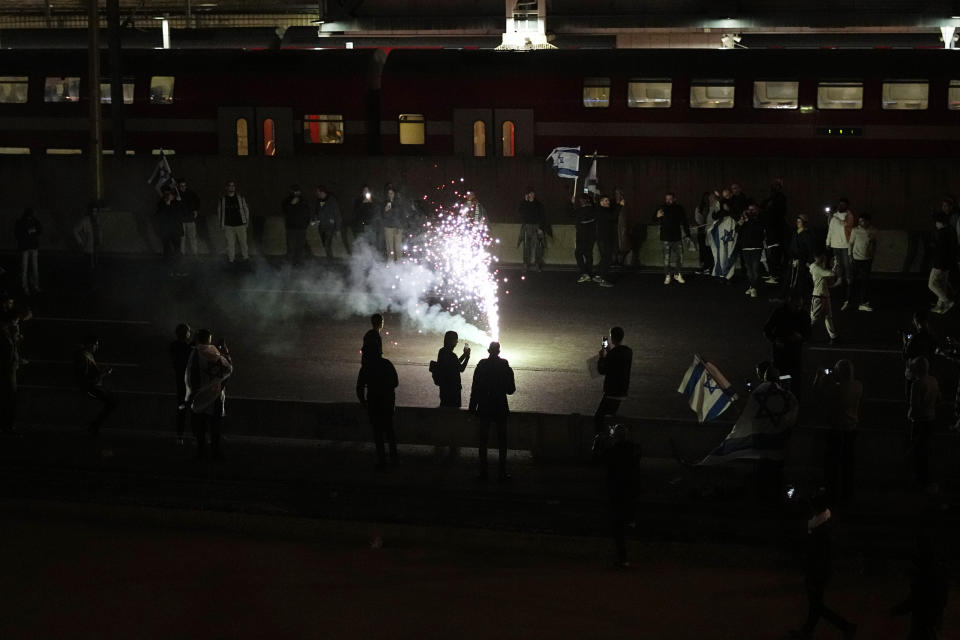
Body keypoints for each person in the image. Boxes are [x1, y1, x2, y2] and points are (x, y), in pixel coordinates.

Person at [789, 489, 857, 639]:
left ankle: (846, 626)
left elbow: (815, 553)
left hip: (817, 572)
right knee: (816, 605)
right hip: (819, 571)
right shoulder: (825, 521)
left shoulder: (819, 530)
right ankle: (808, 631)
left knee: (817, 606)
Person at [814, 359, 862, 505]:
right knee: (848, 463)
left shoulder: (837, 389)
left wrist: (820, 377)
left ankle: (832, 492)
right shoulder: (858, 386)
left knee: (833, 463)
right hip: (851, 428)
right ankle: (847, 493)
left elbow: (817, 395)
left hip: (836, 429)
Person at [469, 341, 516, 481]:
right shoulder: (504, 365)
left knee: (483, 441)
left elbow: (475, 388)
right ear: (499, 351)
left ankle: (483, 472)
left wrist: (472, 408)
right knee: (502, 441)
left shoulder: (482, 365)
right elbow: (511, 390)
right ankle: (502, 473)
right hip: (500, 406)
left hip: (484, 406)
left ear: (489, 351)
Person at [185, 329, 233, 459]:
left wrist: (191, 394)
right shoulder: (214, 352)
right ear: (209, 339)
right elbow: (228, 367)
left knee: (200, 426)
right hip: (215, 394)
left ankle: (201, 451)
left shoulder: (195, 353)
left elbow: (191, 375)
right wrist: (225, 350)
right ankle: (215, 452)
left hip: (200, 395)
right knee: (215, 426)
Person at [891, 538, 949, 639]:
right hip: (929, 620)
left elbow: (915, 600)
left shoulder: (924, 575)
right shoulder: (937, 572)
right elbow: (942, 598)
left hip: (923, 621)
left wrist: (895, 611)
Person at [603, 424, 639, 569]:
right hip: (630, 490)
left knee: (617, 526)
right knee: (626, 520)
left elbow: (602, 462)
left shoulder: (612, 451)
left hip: (617, 491)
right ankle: (631, 521)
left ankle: (622, 558)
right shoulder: (634, 449)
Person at [356, 351, 400, 469]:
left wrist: (364, 403)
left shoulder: (366, 367)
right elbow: (395, 382)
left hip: (374, 404)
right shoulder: (387, 364)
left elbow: (359, 388)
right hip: (387, 403)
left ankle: (382, 461)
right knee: (390, 432)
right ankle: (394, 460)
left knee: (378, 434)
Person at [763, 293, 810, 395]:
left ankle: (794, 397)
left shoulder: (803, 314)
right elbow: (767, 330)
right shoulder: (779, 313)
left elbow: (809, 333)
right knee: (782, 374)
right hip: (781, 351)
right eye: (796, 306)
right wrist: (775, 340)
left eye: (800, 306)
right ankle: (782, 394)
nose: (798, 308)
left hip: (794, 351)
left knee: (796, 376)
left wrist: (801, 337)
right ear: (789, 303)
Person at [594, 327, 632, 443]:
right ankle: (612, 437)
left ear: (612, 337)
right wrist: (609, 352)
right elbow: (618, 360)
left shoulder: (612, 355)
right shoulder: (628, 352)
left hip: (611, 392)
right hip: (622, 391)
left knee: (598, 418)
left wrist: (601, 357)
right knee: (610, 415)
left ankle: (603, 441)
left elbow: (602, 370)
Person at [907, 356, 940, 492]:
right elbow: (939, 399)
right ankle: (927, 480)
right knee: (926, 451)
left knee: (917, 452)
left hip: (919, 421)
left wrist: (911, 415)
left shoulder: (917, 384)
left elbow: (914, 405)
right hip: (930, 419)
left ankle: (921, 481)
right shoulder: (933, 380)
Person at [74, 335, 115, 437]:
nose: (97, 347)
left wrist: (103, 372)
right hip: (89, 387)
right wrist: (104, 373)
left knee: (111, 400)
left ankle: (95, 426)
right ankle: (94, 426)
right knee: (111, 402)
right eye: (96, 345)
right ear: (90, 344)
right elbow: (86, 377)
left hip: (91, 385)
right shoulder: (85, 356)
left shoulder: (87, 355)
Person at [825, 198, 856, 308]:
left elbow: (845, 224)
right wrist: (827, 242)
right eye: (840, 204)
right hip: (835, 244)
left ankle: (849, 280)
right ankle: (839, 279)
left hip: (845, 245)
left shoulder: (849, 215)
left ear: (847, 206)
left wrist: (835, 217)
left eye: (843, 204)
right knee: (838, 263)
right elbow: (830, 230)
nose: (841, 206)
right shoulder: (834, 217)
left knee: (847, 264)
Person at [655, 192, 691, 285]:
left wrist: (688, 234)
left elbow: (685, 221)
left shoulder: (679, 208)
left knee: (680, 257)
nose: (668, 201)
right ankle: (667, 275)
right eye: (666, 199)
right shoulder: (661, 208)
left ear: (674, 199)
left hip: (677, 237)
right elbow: (653, 219)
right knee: (666, 259)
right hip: (665, 237)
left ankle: (678, 274)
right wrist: (657, 216)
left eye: (670, 199)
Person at [847, 213, 877, 312]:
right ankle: (849, 301)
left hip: (867, 259)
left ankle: (862, 303)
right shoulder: (855, 230)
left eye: (862, 221)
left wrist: (872, 255)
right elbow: (851, 243)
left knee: (865, 282)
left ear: (868, 221)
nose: (860, 223)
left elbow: (874, 244)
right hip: (856, 259)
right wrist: (850, 256)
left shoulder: (873, 230)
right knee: (852, 281)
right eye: (859, 221)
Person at [929, 211, 957, 314]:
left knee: (932, 284)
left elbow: (940, 251)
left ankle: (946, 301)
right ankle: (940, 306)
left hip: (940, 264)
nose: (935, 224)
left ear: (940, 222)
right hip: (948, 264)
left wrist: (938, 265)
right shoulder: (951, 231)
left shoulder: (941, 234)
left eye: (936, 222)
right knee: (942, 285)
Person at [761, 178, 788, 285]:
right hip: (770, 229)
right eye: (773, 185)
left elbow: (780, 212)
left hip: (776, 230)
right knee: (770, 253)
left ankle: (775, 275)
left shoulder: (780, 198)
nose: (774, 187)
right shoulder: (770, 199)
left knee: (774, 253)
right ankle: (773, 273)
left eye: (777, 185)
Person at [169, 323, 193, 445]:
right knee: (195, 409)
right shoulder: (188, 348)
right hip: (189, 383)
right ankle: (195, 435)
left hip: (180, 382)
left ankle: (180, 436)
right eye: (188, 331)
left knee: (181, 408)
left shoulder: (173, 346)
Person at [0, 308, 23, 433]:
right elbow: (8, 352)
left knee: (8, 397)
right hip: (7, 370)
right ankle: (7, 425)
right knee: (9, 397)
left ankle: (7, 424)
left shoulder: (5, 332)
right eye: (17, 322)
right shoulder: (5, 333)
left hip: (9, 369)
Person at [217, 180, 250, 264]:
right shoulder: (222, 200)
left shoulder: (240, 198)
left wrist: (246, 221)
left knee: (243, 243)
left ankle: (246, 259)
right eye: (230, 186)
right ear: (226, 188)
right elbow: (219, 212)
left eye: (233, 186)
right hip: (229, 226)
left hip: (240, 225)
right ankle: (231, 261)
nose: (232, 187)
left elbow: (246, 209)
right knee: (230, 244)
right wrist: (222, 224)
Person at [435, 330, 471, 408]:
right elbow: (461, 368)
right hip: (453, 390)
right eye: (456, 340)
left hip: (444, 388)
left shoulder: (442, 351)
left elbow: (455, 363)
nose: (457, 342)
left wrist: (464, 355)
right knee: (453, 412)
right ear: (452, 341)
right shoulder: (451, 355)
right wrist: (467, 357)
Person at [809, 251, 839, 343]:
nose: (824, 259)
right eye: (822, 257)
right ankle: (803, 334)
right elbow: (831, 274)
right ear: (817, 257)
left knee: (828, 317)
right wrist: (836, 265)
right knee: (813, 318)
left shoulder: (816, 267)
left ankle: (833, 337)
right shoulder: (817, 268)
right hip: (818, 296)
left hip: (824, 296)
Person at [787, 214, 818, 297]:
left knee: (801, 279)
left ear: (804, 223)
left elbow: (810, 249)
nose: (797, 223)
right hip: (793, 259)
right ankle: (790, 296)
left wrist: (809, 261)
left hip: (802, 260)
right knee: (790, 278)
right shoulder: (795, 232)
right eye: (797, 222)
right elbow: (792, 246)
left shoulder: (806, 234)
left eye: (799, 222)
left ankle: (801, 297)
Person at [738, 202, 765, 298]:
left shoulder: (759, 219)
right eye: (749, 210)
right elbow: (737, 230)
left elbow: (759, 231)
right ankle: (752, 286)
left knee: (755, 269)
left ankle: (754, 288)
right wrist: (741, 222)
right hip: (745, 247)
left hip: (756, 247)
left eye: (752, 209)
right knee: (749, 269)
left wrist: (748, 219)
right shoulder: (745, 220)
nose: (750, 211)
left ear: (756, 210)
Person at [517, 187, 547, 273]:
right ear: (527, 195)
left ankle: (537, 264)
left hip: (536, 226)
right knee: (526, 247)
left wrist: (540, 228)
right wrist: (524, 201)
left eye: (533, 193)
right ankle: (526, 264)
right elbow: (520, 212)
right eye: (530, 193)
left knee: (538, 247)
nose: (531, 195)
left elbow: (542, 216)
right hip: (527, 226)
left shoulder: (538, 204)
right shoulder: (524, 203)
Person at [155, 187, 184, 274]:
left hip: (175, 231)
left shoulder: (176, 203)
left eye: (170, 194)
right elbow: (161, 216)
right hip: (166, 231)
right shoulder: (161, 204)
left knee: (177, 251)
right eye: (167, 194)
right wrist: (167, 205)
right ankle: (168, 269)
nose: (169, 196)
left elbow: (180, 213)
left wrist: (179, 202)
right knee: (167, 251)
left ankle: (178, 269)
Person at [594, 193, 620, 287]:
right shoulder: (602, 211)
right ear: (601, 202)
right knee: (607, 258)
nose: (608, 202)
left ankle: (598, 275)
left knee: (604, 257)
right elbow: (613, 217)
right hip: (605, 238)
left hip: (602, 238)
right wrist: (620, 206)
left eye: (608, 200)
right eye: (606, 201)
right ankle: (603, 279)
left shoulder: (601, 210)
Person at [282, 184, 312, 266]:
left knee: (300, 247)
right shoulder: (287, 201)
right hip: (291, 228)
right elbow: (285, 210)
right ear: (292, 191)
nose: (297, 193)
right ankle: (290, 264)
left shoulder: (303, 201)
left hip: (302, 228)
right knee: (291, 247)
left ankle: (299, 263)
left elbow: (308, 212)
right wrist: (291, 204)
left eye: (298, 191)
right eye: (295, 191)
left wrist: (307, 223)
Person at [314, 185, 347, 259]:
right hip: (321, 226)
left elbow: (337, 214)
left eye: (318, 192)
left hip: (329, 226)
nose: (316, 193)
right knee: (324, 244)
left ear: (322, 192)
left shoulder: (331, 200)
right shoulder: (318, 200)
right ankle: (329, 258)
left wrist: (338, 229)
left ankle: (330, 260)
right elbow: (317, 211)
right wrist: (315, 219)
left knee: (327, 243)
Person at [15, 207, 42, 295]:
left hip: (29, 247)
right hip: (28, 247)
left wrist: (29, 232)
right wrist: (30, 232)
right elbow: (18, 234)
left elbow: (40, 230)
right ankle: (29, 286)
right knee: (28, 268)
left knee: (30, 268)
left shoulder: (27, 221)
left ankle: (31, 286)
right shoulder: (27, 221)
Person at [570, 194, 597, 283]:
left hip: (582, 236)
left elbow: (570, 214)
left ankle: (585, 273)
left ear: (583, 201)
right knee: (588, 254)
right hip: (591, 236)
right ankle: (589, 273)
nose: (580, 202)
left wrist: (571, 203)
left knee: (578, 254)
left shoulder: (581, 210)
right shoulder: (593, 210)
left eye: (581, 200)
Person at [73, 202, 103, 273]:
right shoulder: (85, 220)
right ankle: (90, 276)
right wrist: (80, 242)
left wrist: (101, 240)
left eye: (96, 211)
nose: (94, 213)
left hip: (96, 245)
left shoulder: (97, 219)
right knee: (89, 265)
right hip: (89, 246)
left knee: (95, 262)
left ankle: (94, 273)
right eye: (93, 211)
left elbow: (99, 230)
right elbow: (75, 230)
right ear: (90, 212)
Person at [694, 191, 719, 274]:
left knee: (711, 250)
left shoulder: (715, 206)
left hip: (711, 231)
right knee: (704, 250)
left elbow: (715, 218)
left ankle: (711, 267)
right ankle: (706, 266)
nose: (709, 200)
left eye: (711, 198)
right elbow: (699, 220)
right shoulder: (701, 208)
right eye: (708, 198)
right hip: (703, 232)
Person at [381, 184, 406, 262]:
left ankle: (399, 263)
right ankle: (391, 264)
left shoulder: (399, 202)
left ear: (394, 193)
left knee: (398, 247)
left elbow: (402, 215)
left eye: (391, 193)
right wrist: (385, 210)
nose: (390, 195)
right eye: (389, 193)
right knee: (390, 247)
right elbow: (382, 216)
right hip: (388, 227)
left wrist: (401, 226)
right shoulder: (385, 203)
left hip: (398, 227)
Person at [176, 178, 201, 257]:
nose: (183, 187)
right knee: (182, 239)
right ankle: (182, 255)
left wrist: (196, 210)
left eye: (184, 186)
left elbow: (198, 201)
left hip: (190, 219)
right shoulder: (177, 194)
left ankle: (195, 254)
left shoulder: (191, 193)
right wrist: (177, 201)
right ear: (178, 186)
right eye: (181, 186)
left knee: (193, 238)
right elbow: (173, 207)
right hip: (181, 220)